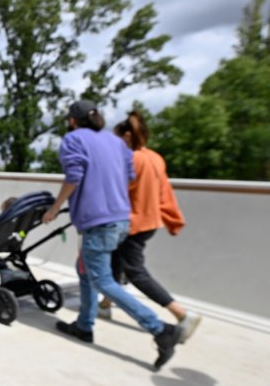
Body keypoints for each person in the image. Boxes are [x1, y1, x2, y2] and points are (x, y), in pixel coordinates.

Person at [42, 100, 194, 371]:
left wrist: (55, 208)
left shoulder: (73, 139)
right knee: (87, 273)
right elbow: (128, 176)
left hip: (97, 222)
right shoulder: (117, 144)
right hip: (121, 219)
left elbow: (74, 177)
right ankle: (84, 326)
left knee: (103, 281)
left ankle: (160, 330)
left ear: (73, 121)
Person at [97, 111, 202, 339]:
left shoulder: (131, 160)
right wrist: (172, 218)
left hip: (133, 223)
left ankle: (182, 314)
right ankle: (105, 306)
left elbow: (114, 193)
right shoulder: (155, 157)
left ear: (126, 136)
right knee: (117, 262)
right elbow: (164, 190)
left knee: (135, 272)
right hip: (151, 221)